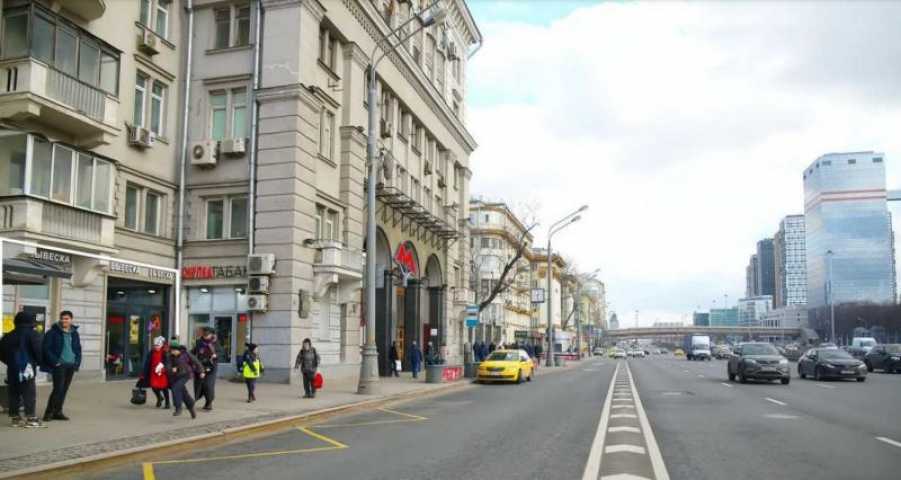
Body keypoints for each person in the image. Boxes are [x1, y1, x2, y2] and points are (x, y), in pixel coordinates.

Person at [0, 312, 44, 428]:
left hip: (12, 369)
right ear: (30, 321)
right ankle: (30, 418)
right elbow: (38, 351)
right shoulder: (33, 334)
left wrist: (10, 362)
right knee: (29, 392)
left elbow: (1, 353)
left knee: (14, 392)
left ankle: (15, 419)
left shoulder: (8, 335)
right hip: (27, 368)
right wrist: (39, 362)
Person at [40, 310, 81, 422]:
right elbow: (46, 348)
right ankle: (48, 413)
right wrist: (55, 362)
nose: (64, 320)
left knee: (64, 389)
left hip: (70, 365)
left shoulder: (74, 333)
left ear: (71, 319)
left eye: (66, 318)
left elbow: (78, 348)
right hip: (59, 365)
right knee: (57, 389)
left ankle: (58, 412)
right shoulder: (52, 332)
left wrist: (77, 362)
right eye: (62, 318)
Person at [166, 341, 200, 418]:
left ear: (178, 350)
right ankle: (191, 406)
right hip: (175, 377)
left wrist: (201, 371)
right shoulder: (169, 356)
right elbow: (167, 367)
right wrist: (171, 369)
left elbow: (196, 361)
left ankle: (178, 408)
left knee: (176, 389)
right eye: (171, 351)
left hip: (186, 374)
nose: (172, 352)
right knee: (183, 393)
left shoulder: (186, 354)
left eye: (174, 350)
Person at [192, 328, 219, 411]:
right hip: (201, 366)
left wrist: (216, 355)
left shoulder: (215, 343)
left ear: (211, 334)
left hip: (211, 367)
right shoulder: (199, 342)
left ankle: (209, 403)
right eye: (204, 335)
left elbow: (220, 352)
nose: (206, 337)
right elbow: (194, 351)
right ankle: (195, 399)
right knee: (199, 384)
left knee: (208, 385)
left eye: (207, 335)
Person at [140, 336, 170, 409]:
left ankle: (167, 403)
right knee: (154, 387)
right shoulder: (151, 352)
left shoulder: (164, 352)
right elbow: (147, 363)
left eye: (158, 346)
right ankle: (159, 398)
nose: (156, 347)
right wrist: (143, 373)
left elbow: (167, 362)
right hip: (153, 372)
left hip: (162, 373)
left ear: (161, 345)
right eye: (155, 345)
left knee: (164, 388)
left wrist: (163, 368)